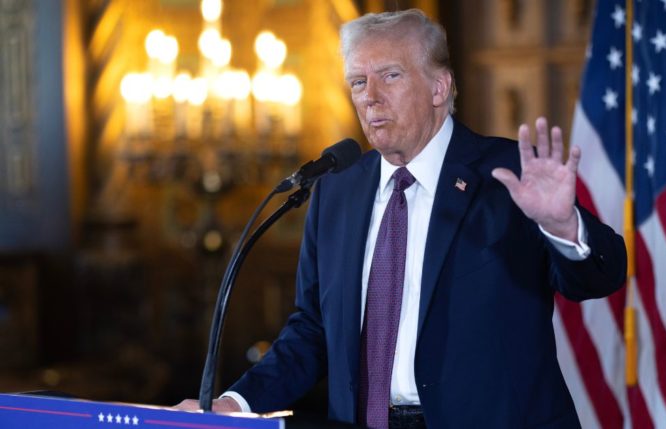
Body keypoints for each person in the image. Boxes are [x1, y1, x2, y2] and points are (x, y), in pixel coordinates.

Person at [178, 8, 626, 428]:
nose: (370, 97)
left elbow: (600, 278)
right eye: (357, 82)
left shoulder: (507, 175)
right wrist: (233, 405)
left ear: (439, 87)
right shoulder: (337, 188)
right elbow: (312, 331)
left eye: (389, 76)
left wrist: (563, 228)